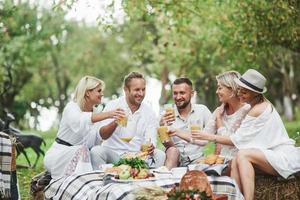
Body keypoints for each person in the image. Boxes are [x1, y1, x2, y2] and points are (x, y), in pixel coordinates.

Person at [192, 69, 300, 200]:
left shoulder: (256, 110)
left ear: (256, 93)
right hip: (268, 153)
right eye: (239, 90)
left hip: (280, 156)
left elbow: (236, 140)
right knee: (238, 158)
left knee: (242, 155)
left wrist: (209, 137)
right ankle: (235, 197)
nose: (240, 94)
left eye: (244, 92)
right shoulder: (255, 106)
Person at [44, 76, 124, 179]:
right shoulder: (72, 108)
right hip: (58, 157)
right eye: (99, 91)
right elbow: (81, 120)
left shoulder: (95, 113)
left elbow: (100, 136)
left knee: (95, 151)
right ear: (87, 93)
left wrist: (115, 121)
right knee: (83, 150)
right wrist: (109, 114)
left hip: (82, 160)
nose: (102, 94)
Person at [90, 72, 165, 169]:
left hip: (138, 157)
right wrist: (115, 122)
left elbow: (151, 138)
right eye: (137, 90)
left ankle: (145, 179)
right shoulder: (113, 105)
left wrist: (151, 146)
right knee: (96, 151)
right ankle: (102, 181)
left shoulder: (149, 112)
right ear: (126, 90)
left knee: (160, 155)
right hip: (115, 155)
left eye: (143, 89)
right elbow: (102, 135)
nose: (141, 94)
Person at [160, 78, 211, 169]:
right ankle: (166, 180)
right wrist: (163, 129)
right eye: (175, 93)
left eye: (182, 93)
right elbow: (168, 145)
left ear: (192, 93)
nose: (178, 97)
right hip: (175, 157)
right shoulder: (167, 115)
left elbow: (213, 136)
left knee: (199, 168)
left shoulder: (202, 111)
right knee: (172, 151)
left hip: (196, 158)